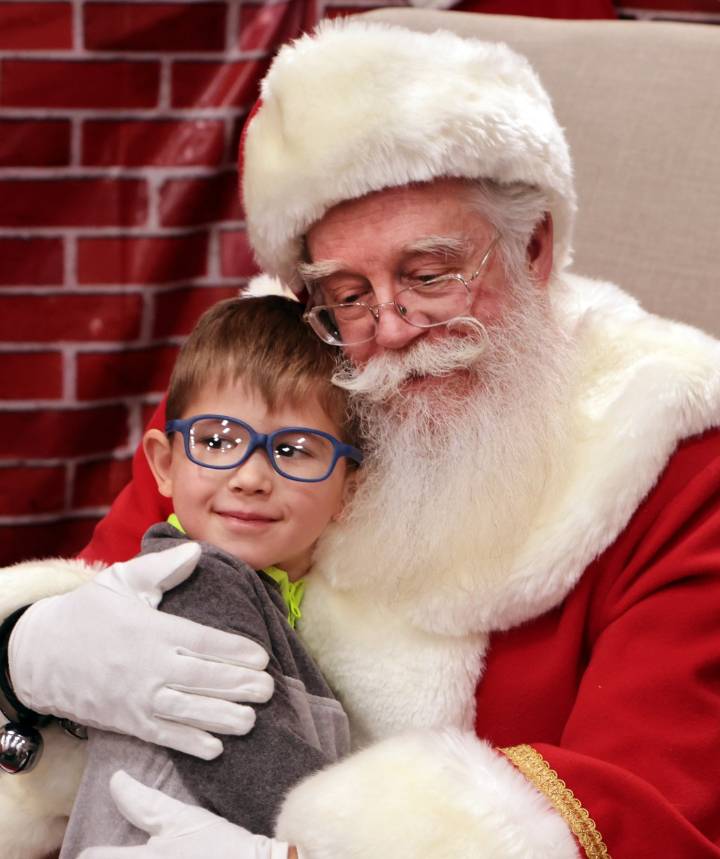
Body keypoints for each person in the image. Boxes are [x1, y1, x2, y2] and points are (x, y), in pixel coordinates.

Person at [2, 17, 720, 859]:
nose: (394, 326)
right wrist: (23, 654)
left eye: (430, 274)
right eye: (348, 293)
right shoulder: (257, 397)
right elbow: (103, 589)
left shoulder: (672, 450)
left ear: (533, 248)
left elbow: (650, 806)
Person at [56, 294, 358, 858]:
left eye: (294, 450)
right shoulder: (192, 577)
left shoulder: (275, 588)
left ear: (350, 490)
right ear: (165, 464)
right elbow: (240, 748)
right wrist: (353, 842)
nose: (250, 477)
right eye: (217, 441)